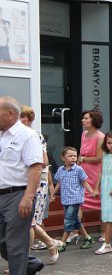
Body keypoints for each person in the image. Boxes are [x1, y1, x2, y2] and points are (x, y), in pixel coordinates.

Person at [0, 96, 45, 275]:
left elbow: (36, 167)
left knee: (15, 243)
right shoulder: (1, 135)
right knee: (3, 243)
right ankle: (30, 263)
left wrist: (28, 197)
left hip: (17, 194)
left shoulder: (27, 136)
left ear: (10, 113)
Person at [20, 106, 59, 263]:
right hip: (21, 183)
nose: (19, 120)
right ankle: (51, 243)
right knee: (28, 221)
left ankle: (24, 260)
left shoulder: (34, 136)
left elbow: (44, 162)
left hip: (35, 183)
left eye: (22, 117)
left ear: (29, 120)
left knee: (29, 222)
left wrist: (50, 187)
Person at [53, 147, 97, 249]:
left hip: (76, 199)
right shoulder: (60, 170)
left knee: (68, 220)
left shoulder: (79, 169)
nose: (73, 158)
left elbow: (84, 182)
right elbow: (58, 183)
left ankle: (62, 243)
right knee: (76, 220)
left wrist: (91, 192)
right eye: (70, 156)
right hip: (65, 199)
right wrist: (53, 194)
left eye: (75, 156)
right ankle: (88, 238)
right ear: (63, 158)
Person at [96, 132, 112, 255]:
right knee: (106, 214)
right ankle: (107, 240)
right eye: (109, 143)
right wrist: (96, 188)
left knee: (110, 216)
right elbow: (101, 172)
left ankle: (107, 243)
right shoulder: (105, 154)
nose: (111, 145)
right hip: (105, 186)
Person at [79, 109, 104, 216]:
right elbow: (80, 153)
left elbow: (99, 158)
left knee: (98, 202)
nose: (82, 120)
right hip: (82, 171)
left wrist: (83, 159)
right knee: (78, 202)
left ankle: (103, 231)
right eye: (83, 118)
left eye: (86, 118)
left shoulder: (101, 137)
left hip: (94, 174)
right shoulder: (84, 134)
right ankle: (74, 231)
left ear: (93, 120)